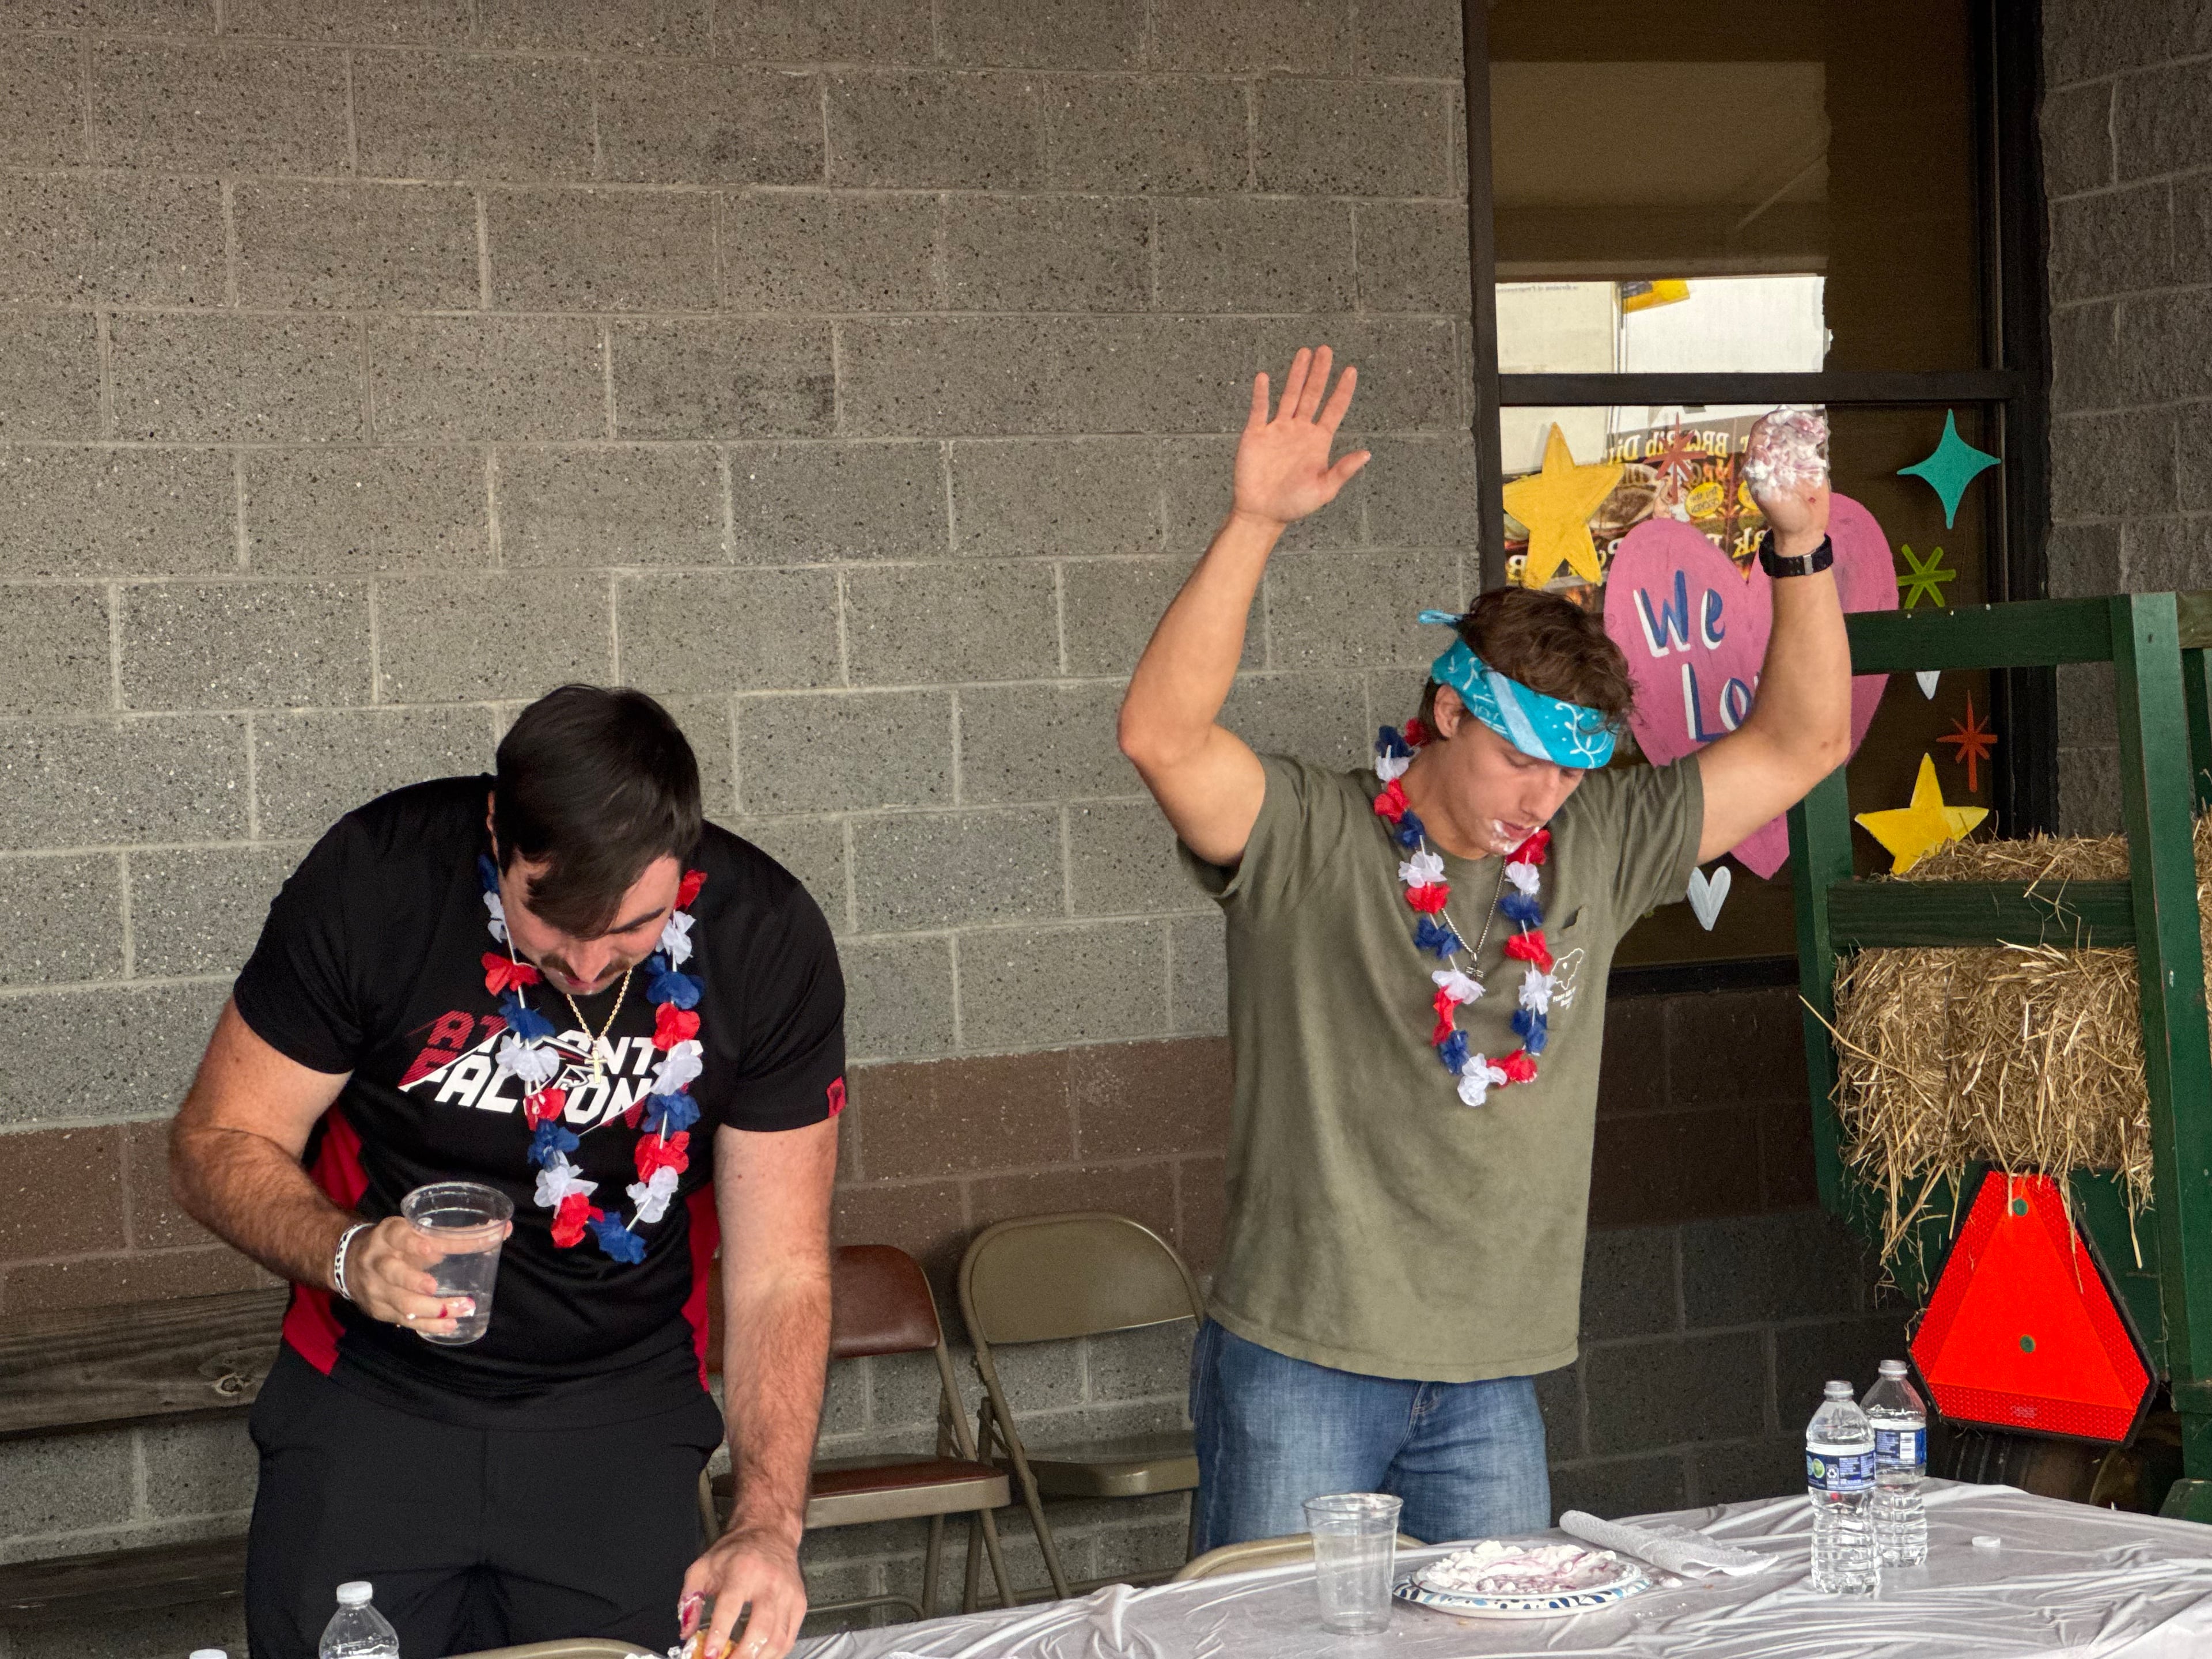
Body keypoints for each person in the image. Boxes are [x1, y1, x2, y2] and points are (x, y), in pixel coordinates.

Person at [1118, 347, 1850, 1549]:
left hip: (1492, 1375)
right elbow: (1159, 732)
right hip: (1304, 1360)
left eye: (1570, 771)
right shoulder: (1312, 834)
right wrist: (1254, 521)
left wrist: (1801, 545)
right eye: (1521, 760)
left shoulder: (1597, 841)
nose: (1543, 798)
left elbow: (1805, 743)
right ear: (1448, 712)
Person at [170, 686, 845, 1659]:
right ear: (498, 831)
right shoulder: (381, 878)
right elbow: (214, 1142)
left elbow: (783, 1270)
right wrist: (349, 1252)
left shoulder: (766, 938)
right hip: (372, 1406)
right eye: (553, 918)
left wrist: (767, 1525)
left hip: (620, 1420)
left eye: (632, 929)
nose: (583, 964)